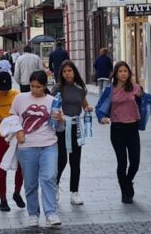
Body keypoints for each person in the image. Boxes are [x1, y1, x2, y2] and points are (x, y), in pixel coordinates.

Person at [11, 70, 64, 227]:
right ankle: (33, 213)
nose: (35, 90)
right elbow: (11, 118)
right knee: (30, 182)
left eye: (38, 87)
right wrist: (18, 130)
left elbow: (60, 128)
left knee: (49, 177)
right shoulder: (20, 98)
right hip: (27, 146)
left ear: (45, 86)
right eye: (32, 86)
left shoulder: (53, 101)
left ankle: (51, 213)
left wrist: (60, 119)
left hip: (49, 144)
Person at [99, 61, 143, 204]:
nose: (123, 73)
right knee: (122, 162)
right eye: (120, 71)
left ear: (129, 73)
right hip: (117, 129)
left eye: (126, 71)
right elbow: (100, 106)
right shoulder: (110, 90)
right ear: (116, 74)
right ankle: (125, 192)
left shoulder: (136, 88)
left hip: (132, 128)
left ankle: (128, 182)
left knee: (135, 162)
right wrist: (102, 118)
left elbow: (148, 102)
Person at [51, 60, 93, 205]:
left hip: (76, 126)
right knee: (61, 159)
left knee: (76, 161)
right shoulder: (57, 88)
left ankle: (75, 192)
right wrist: (58, 115)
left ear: (74, 72)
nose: (67, 73)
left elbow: (84, 104)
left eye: (70, 70)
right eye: (65, 71)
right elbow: (52, 106)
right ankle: (55, 187)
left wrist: (88, 108)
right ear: (61, 74)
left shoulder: (80, 89)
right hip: (62, 127)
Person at [0, 71, 25, 212]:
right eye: (2, 89)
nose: (4, 91)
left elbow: (23, 113)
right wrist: (0, 120)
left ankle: (17, 192)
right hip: (0, 137)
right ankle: (2, 199)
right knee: (1, 168)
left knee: (21, 165)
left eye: (7, 88)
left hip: (16, 136)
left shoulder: (17, 95)